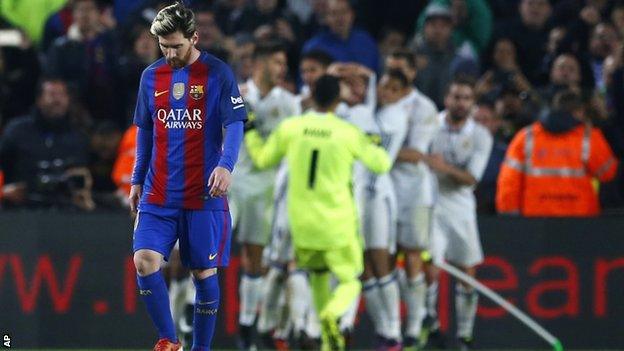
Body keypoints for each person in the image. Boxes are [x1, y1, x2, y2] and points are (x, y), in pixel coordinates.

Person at [128, 3, 246, 350]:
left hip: (202, 194)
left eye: (176, 46)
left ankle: (201, 348)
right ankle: (168, 340)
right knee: (144, 261)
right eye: (163, 46)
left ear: (194, 38)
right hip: (158, 191)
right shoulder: (151, 76)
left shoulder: (218, 73)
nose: (170, 53)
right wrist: (137, 179)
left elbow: (235, 123)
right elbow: (145, 130)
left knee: (203, 275)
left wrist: (226, 164)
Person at [245, 75, 391, 351]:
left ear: (312, 96)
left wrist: (251, 130)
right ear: (338, 100)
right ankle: (330, 315)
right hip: (337, 224)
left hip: (303, 226)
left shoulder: (293, 127)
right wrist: (373, 142)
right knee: (351, 279)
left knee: (319, 277)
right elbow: (381, 165)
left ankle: (325, 341)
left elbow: (263, 158)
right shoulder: (347, 132)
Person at [231, 40, 301, 351]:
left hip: (265, 189)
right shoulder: (235, 95)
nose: (282, 69)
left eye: (284, 64)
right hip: (230, 185)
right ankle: (190, 321)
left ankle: (248, 327)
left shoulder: (289, 103)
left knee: (254, 259)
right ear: (259, 64)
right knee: (203, 253)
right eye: (277, 63)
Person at [425, 76, 492, 350]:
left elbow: (470, 179)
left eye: (466, 98)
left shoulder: (480, 135)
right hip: (431, 205)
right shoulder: (431, 127)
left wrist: (442, 167)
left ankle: (465, 334)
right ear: (446, 99)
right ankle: (430, 325)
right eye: (456, 97)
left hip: (462, 208)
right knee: (430, 267)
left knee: (466, 271)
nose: (460, 103)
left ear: (473, 104)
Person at [385, 49, 439, 350]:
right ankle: (393, 327)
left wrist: (375, 146)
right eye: (390, 68)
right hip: (384, 190)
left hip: (414, 193)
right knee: (386, 261)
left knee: (414, 256)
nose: (393, 73)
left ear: (411, 72)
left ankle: (415, 326)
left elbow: (417, 152)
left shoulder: (423, 107)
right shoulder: (381, 102)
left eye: (399, 69)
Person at [355, 69, 411, 351]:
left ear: (401, 94)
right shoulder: (371, 111)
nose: (385, 92)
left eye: (392, 89)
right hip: (358, 196)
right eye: (383, 86)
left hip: (378, 196)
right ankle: (383, 332)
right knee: (363, 267)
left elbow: (374, 143)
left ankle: (395, 330)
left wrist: (368, 80)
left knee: (381, 261)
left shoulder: (396, 117)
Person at [496, 89, 618, 217]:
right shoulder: (589, 137)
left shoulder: (526, 137)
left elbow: (508, 181)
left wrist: (509, 216)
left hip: (535, 218)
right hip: (580, 218)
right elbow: (608, 174)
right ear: (579, 112)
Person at [0, 76, 94, 211]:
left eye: (62, 95)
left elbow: (85, 177)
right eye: (51, 94)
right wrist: (3, 191)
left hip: (66, 212)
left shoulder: (78, 137)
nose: (57, 100)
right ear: (39, 100)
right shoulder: (17, 131)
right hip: (20, 210)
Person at [302, 0, 380, 74]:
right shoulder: (314, 47)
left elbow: (377, 75)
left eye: (343, 12)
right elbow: (304, 84)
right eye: (334, 13)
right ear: (326, 18)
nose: (340, 18)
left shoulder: (366, 41)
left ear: (352, 14)